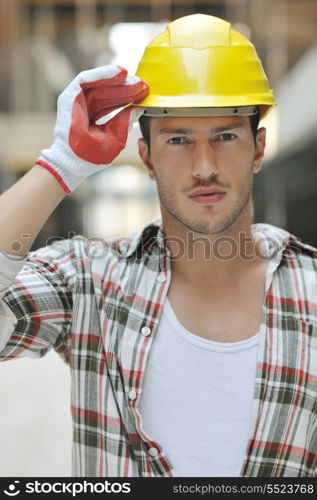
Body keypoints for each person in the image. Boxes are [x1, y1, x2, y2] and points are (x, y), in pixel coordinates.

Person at [0, 13, 316, 478]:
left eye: (225, 136)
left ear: (258, 147)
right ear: (146, 156)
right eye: (179, 139)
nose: (203, 166)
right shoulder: (90, 281)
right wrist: (60, 165)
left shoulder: (311, 293)